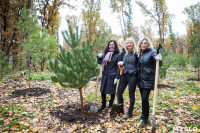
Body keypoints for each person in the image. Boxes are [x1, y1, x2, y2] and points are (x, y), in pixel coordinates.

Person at [137, 37, 162, 128]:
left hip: (148, 80)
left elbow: (158, 62)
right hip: (140, 80)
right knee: (143, 99)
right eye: (142, 43)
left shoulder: (152, 52)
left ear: (148, 44)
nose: (143, 44)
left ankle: (146, 119)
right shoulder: (140, 54)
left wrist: (159, 58)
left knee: (145, 98)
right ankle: (143, 114)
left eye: (145, 43)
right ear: (140, 45)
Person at [116, 38, 138, 119]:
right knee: (119, 93)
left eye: (130, 43)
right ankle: (120, 109)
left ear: (133, 44)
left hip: (133, 76)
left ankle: (130, 112)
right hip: (124, 75)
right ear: (125, 44)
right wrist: (121, 64)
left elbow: (140, 63)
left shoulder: (136, 53)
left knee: (131, 95)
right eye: (127, 43)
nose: (129, 44)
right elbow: (119, 62)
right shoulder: (124, 53)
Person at [97, 40, 120, 111]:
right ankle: (103, 105)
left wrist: (117, 77)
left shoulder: (118, 55)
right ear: (108, 46)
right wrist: (99, 57)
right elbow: (100, 63)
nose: (111, 46)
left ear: (115, 46)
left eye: (113, 44)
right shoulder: (105, 54)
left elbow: (118, 67)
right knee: (102, 90)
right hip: (105, 75)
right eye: (110, 44)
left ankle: (110, 105)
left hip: (112, 75)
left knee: (112, 91)